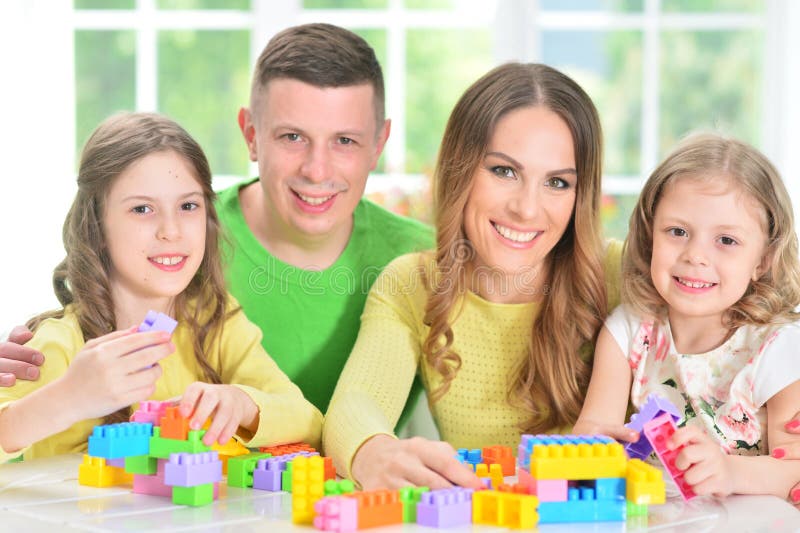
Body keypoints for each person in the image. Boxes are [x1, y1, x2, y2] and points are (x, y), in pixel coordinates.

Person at [0, 24, 432, 427]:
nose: (317, 171)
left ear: (379, 143)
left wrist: (244, 404)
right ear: (250, 135)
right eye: (292, 137)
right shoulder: (192, 241)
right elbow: (81, 324)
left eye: (345, 140)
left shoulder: (429, 262)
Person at [323, 62, 622, 490]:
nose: (527, 208)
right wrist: (374, 452)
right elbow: (358, 401)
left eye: (557, 183)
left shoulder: (617, 276)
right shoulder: (414, 284)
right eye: (504, 171)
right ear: (460, 169)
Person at [0, 112, 322, 462]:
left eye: (188, 206)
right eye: (142, 208)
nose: (171, 230)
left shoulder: (217, 322)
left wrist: (243, 405)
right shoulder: (60, 344)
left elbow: (308, 421)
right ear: (97, 225)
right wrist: (69, 397)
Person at [573, 134, 800, 500]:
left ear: (764, 259)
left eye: (726, 240)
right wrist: (592, 456)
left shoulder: (780, 346)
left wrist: (730, 472)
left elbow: (795, 469)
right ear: (650, 239)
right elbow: (591, 436)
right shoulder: (629, 329)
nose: (695, 255)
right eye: (677, 232)